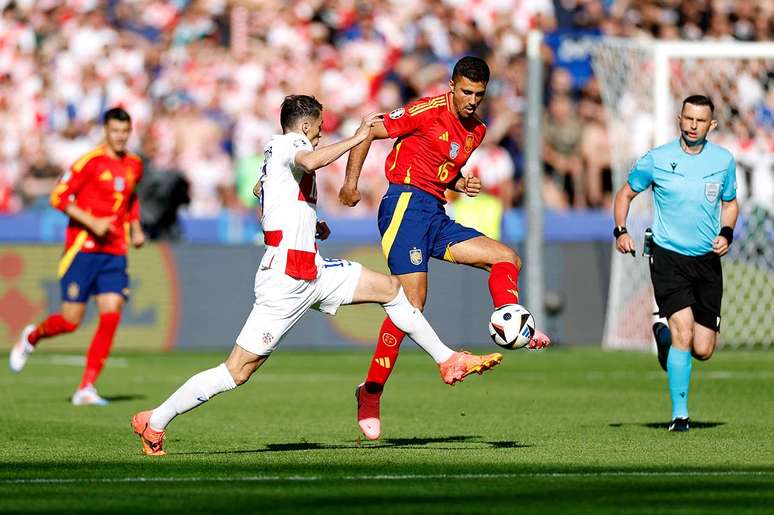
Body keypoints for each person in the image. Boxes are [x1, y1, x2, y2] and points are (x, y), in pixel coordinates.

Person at [131, 95, 503, 456]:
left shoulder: (274, 154)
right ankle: (155, 419)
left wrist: (309, 224)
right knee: (237, 372)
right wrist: (357, 138)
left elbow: (261, 190)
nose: (322, 134)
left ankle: (446, 359)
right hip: (286, 279)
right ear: (306, 126)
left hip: (313, 267)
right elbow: (309, 161)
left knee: (391, 290)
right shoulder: (288, 143)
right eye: (320, 129)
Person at [338, 56, 551, 441]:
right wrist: (351, 184)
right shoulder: (426, 110)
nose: (471, 100)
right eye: (466, 92)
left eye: (479, 94)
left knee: (506, 257)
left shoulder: (478, 130)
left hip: (436, 212)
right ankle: (370, 394)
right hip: (404, 205)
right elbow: (368, 128)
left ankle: (513, 319)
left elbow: (441, 167)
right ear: (452, 86)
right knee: (411, 303)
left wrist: (459, 184)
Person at [612, 95, 738, 432]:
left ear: (711, 125)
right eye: (688, 119)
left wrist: (726, 232)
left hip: (707, 262)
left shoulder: (723, 161)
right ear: (678, 119)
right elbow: (625, 194)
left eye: (701, 121)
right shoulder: (657, 159)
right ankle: (680, 415)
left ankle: (662, 338)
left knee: (703, 348)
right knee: (684, 331)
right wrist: (621, 231)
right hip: (668, 257)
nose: (693, 126)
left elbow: (730, 204)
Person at [9, 107, 145, 406]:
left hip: (114, 250)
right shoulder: (90, 162)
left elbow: (131, 198)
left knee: (111, 313)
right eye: (115, 131)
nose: (120, 137)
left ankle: (86, 388)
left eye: (125, 132)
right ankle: (32, 336)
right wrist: (91, 221)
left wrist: (135, 227)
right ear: (105, 131)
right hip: (82, 248)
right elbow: (58, 196)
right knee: (71, 321)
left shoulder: (134, 164)